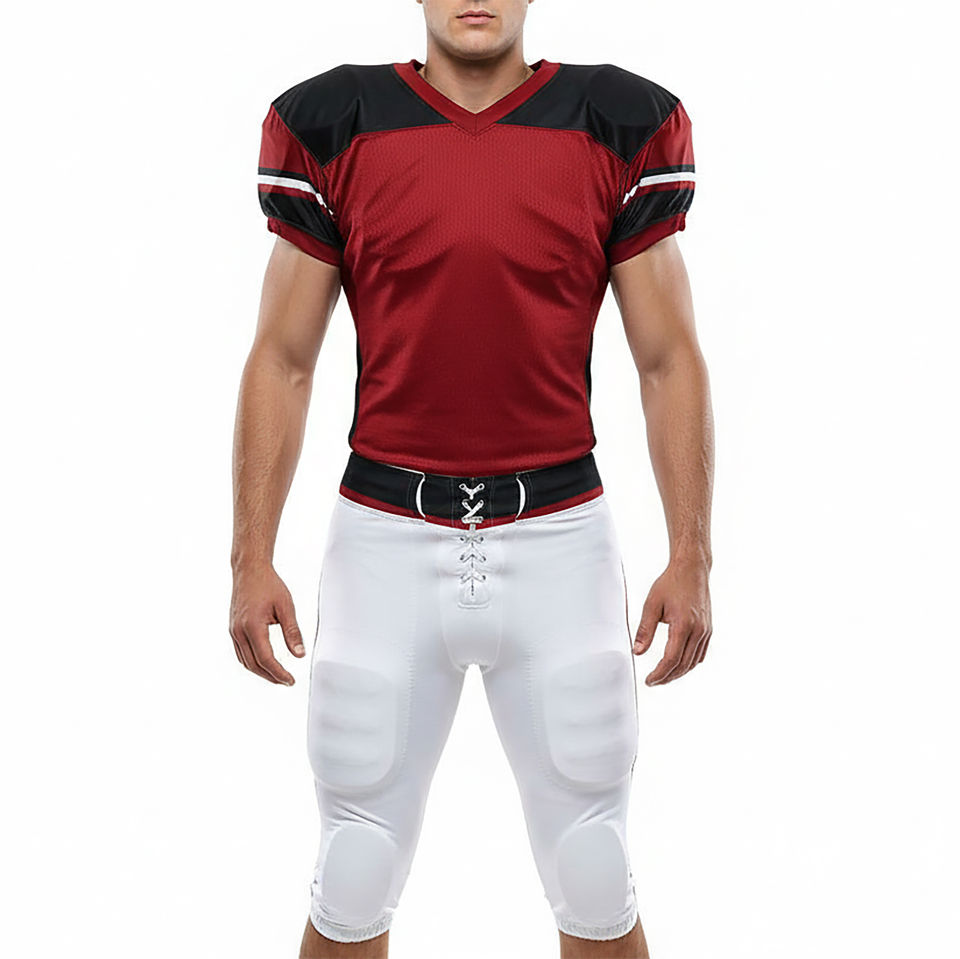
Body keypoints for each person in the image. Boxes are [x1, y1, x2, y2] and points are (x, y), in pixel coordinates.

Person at [229, 1, 714, 956]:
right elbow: (282, 357)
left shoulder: (616, 124)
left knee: (594, 867)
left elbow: (668, 358)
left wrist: (691, 552)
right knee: (354, 869)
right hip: (384, 536)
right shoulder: (337, 124)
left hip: (560, 534)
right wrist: (250, 555)